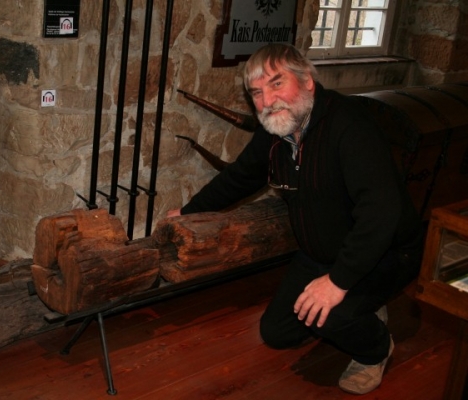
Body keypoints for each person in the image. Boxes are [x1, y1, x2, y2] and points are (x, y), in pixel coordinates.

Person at [167, 43, 424, 395]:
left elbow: (381, 213)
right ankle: (362, 307)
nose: (267, 100)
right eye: (256, 93)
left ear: (307, 82)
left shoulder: (349, 126)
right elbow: (239, 178)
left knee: (334, 315)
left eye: (276, 84)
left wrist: (337, 282)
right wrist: (187, 212)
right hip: (319, 254)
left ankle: (376, 349)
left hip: (384, 253)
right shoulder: (275, 131)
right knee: (278, 333)